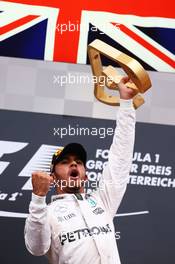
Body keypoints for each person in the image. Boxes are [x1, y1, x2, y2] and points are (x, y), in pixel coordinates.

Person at [24, 76, 137, 264]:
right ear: (52, 177)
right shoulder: (48, 212)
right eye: (65, 162)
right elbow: (37, 248)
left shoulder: (102, 200)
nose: (74, 164)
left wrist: (126, 103)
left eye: (78, 161)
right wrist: (37, 198)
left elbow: (120, 158)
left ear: (85, 176)